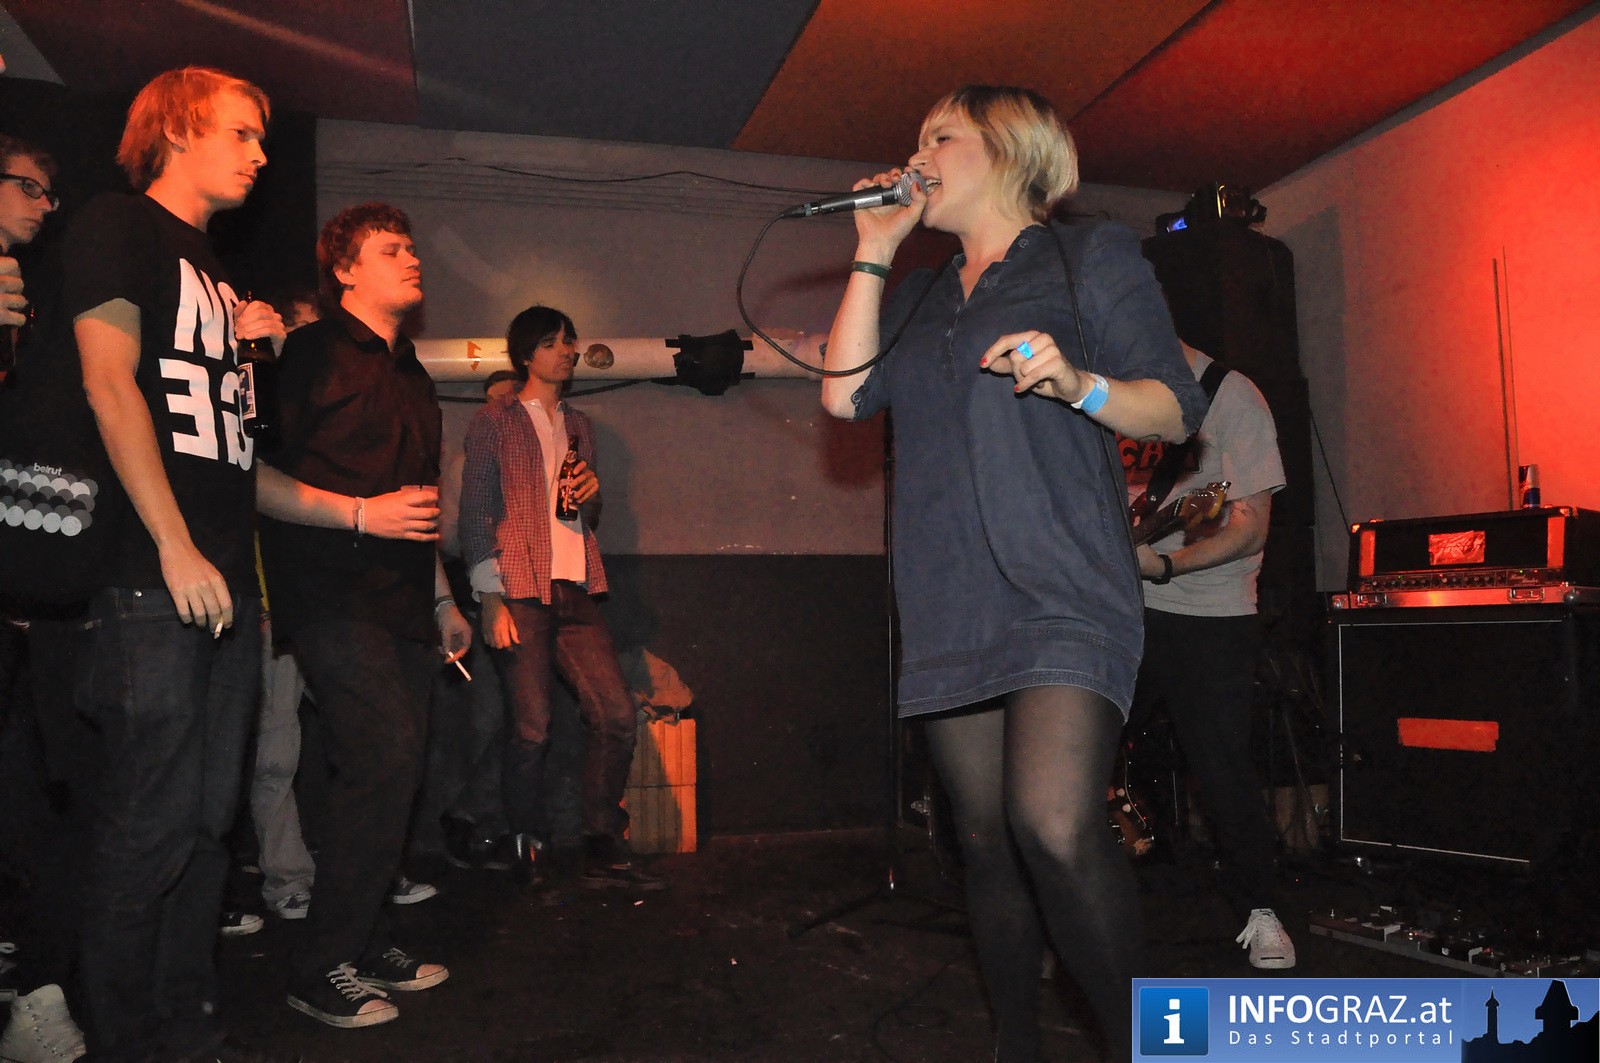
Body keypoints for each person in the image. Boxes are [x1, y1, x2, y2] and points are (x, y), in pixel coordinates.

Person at [818, 86, 1205, 1063]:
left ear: (1008, 149)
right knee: (985, 838)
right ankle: (1015, 1044)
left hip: (1064, 579)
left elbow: (1175, 407)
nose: (918, 154)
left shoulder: (1088, 254)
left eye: (940, 136)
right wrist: (874, 249)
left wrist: (1080, 384)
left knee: (1055, 820)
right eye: (916, 137)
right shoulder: (918, 296)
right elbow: (843, 399)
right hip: (949, 591)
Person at [68, 67, 286, 1062]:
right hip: (153, 574)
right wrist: (173, 543)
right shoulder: (119, 224)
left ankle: (185, 1018)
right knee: (148, 821)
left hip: (224, 578)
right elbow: (109, 385)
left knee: (207, 820)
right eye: (241, 133)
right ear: (181, 127)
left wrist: (258, 351)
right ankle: (122, 1035)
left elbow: (229, 443)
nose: (260, 155)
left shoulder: (216, 271)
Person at [256, 202, 471, 1029]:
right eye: (390, 249)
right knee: (383, 755)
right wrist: (356, 513)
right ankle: (318, 965)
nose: (412, 258)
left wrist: (443, 598)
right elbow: (251, 476)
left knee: (394, 769)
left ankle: (365, 937)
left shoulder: (411, 373)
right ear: (344, 271)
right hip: (328, 595)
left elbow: (417, 506)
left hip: (404, 602)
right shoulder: (307, 354)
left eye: (412, 247)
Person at [459, 306, 665, 891]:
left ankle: (602, 840)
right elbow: (474, 512)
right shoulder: (494, 421)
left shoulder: (580, 425)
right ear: (527, 355)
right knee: (532, 727)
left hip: (575, 584)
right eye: (552, 343)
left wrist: (593, 494)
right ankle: (527, 843)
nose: (567, 351)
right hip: (519, 586)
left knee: (616, 714)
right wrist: (489, 597)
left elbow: (585, 515)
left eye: (569, 341)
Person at [1124, 338, 1294, 969]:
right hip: (1119, 610)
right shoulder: (1103, 393)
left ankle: (1262, 910)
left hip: (1209, 615)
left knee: (1221, 769)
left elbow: (1249, 527)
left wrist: (1167, 565)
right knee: (1076, 757)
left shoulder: (1229, 396)